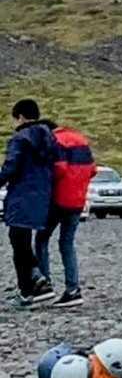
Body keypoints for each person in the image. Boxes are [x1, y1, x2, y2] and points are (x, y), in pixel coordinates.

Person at [3, 99, 57, 305]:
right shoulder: (49, 137)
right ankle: (34, 282)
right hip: (42, 196)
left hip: (21, 196)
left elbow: (11, 167)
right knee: (23, 241)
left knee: (18, 243)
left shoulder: (20, 138)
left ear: (21, 117)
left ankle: (29, 288)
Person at [46, 118, 95, 307]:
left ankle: (44, 284)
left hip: (59, 199)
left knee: (42, 239)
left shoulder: (55, 141)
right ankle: (73, 289)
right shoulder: (80, 139)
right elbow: (92, 170)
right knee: (67, 242)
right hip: (77, 200)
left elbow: (59, 168)